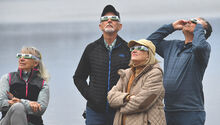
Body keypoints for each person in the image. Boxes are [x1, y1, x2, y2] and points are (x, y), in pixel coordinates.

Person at [147, 17, 212, 125]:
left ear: (201, 31)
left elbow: (199, 46)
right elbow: (149, 43)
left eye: (195, 22)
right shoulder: (172, 46)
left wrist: (199, 27)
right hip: (168, 110)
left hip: (190, 112)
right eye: (190, 19)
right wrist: (170, 27)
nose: (190, 21)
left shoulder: (203, 48)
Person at [73, 4, 130, 125]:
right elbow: (78, 77)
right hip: (95, 112)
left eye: (114, 19)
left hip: (121, 110)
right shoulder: (91, 49)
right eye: (105, 19)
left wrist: (126, 99)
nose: (109, 21)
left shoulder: (128, 49)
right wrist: (91, 96)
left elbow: (135, 79)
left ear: (120, 26)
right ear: (100, 26)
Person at [107, 39, 166, 125]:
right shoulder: (126, 73)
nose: (134, 50)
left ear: (148, 55)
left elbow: (142, 103)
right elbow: (111, 97)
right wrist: (127, 97)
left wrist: (120, 107)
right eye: (132, 48)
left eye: (140, 48)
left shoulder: (155, 73)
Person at [0, 47, 50, 125]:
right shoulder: (7, 78)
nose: (21, 59)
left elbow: (41, 109)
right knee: (18, 107)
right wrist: (28, 104)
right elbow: (1, 103)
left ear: (35, 63)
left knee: (19, 105)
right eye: (20, 56)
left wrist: (20, 102)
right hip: (7, 122)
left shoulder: (43, 84)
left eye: (26, 56)